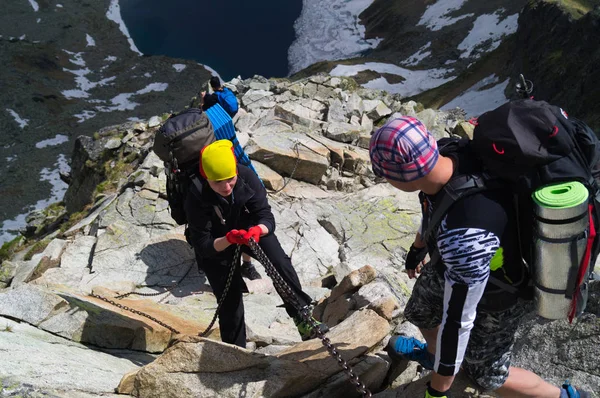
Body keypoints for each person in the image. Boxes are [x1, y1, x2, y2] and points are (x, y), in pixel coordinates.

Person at [369, 116, 590, 398]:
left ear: (403, 175)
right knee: (420, 310)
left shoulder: (466, 238)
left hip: (499, 291)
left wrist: (437, 391)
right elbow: (433, 203)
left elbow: (458, 322)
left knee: (486, 375)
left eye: (385, 174)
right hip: (454, 264)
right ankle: (436, 358)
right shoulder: (447, 153)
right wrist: (419, 247)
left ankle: (565, 396)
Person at [184, 140, 328, 347]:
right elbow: (203, 245)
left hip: (249, 230)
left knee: (279, 261)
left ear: (236, 172)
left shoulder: (246, 176)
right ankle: (235, 350)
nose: (226, 187)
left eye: (230, 179)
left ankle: (303, 318)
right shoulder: (195, 195)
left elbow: (265, 216)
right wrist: (228, 240)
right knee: (229, 298)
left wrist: (257, 231)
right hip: (217, 242)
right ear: (206, 178)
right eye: (218, 182)